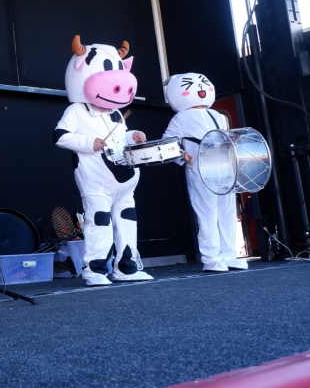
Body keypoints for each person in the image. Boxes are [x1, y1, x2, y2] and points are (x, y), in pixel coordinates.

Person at [53, 35, 154, 286]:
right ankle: (95, 270)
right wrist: (90, 142)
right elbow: (60, 136)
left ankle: (127, 268)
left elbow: (120, 138)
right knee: (99, 221)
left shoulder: (116, 112)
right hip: (95, 181)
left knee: (127, 222)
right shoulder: (77, 110)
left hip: (124, 181)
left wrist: (133, 135)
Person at [162, 73, 248, 272]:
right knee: (206, 213)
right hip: (199, 170)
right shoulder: (180, 118)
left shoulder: (218, 115)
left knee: (227, 212)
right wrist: (180, 155)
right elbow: (167, 143)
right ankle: (211, 257)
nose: (200, 90)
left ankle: (228, 254)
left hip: (225, 168)